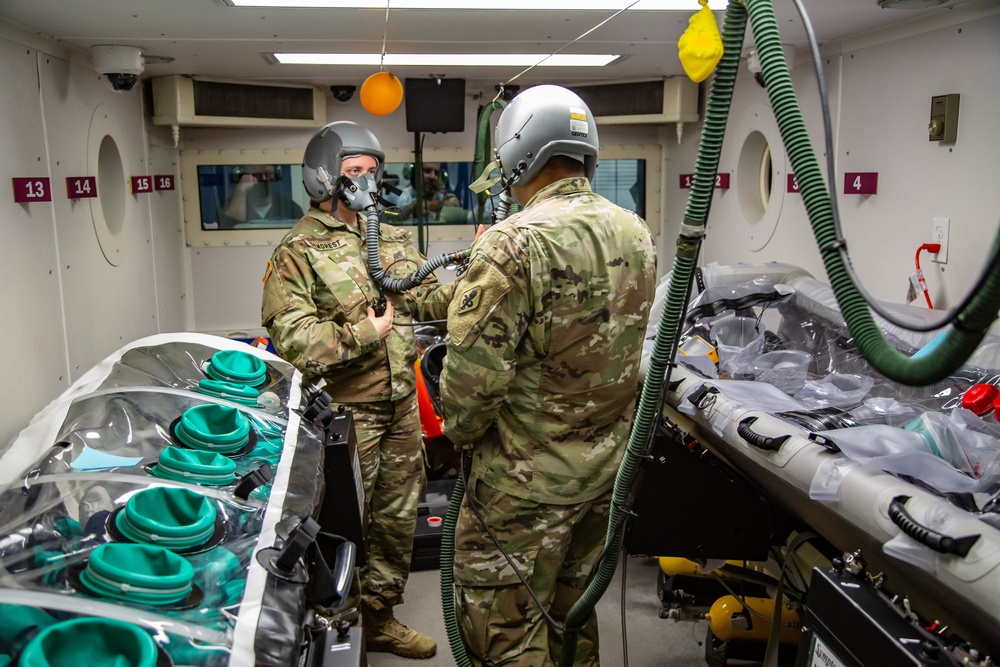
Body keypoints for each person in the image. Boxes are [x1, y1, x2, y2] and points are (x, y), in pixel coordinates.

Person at [439, 85, 658, 666]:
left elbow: (467, 397)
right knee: (573, 622)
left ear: (517, 155)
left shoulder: (513, 244)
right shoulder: (635, 230)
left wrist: (462, 437)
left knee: (505, 633)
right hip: (602, 480)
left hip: (522, 488)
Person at [261, 121, 449, 660]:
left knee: (395, 518)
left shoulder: (389, 238)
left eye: (372, 172)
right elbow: (294, 340)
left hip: (401, 407)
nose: (366, 183)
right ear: (323, 179)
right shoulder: (298, 249)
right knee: (345, 527)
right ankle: (339, 632)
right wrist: (367, 333)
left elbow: (430, 297)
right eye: (353, 173)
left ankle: (382, 618)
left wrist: (479, 271)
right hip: (347, 414)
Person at [220, 164, 303, 228]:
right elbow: (228, 232)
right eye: (257, 175)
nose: (264, 179)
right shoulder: (229, 205)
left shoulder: (292, 208)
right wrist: (241, 191)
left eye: (268, 174)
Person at [395, 161, 463, 222]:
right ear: (414, 173)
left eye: (436, 173)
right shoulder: (398, 192)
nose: (433, 177)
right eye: (427, 171)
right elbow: (416, 206)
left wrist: (454, 208)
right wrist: (442, 205)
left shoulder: (440, 197)